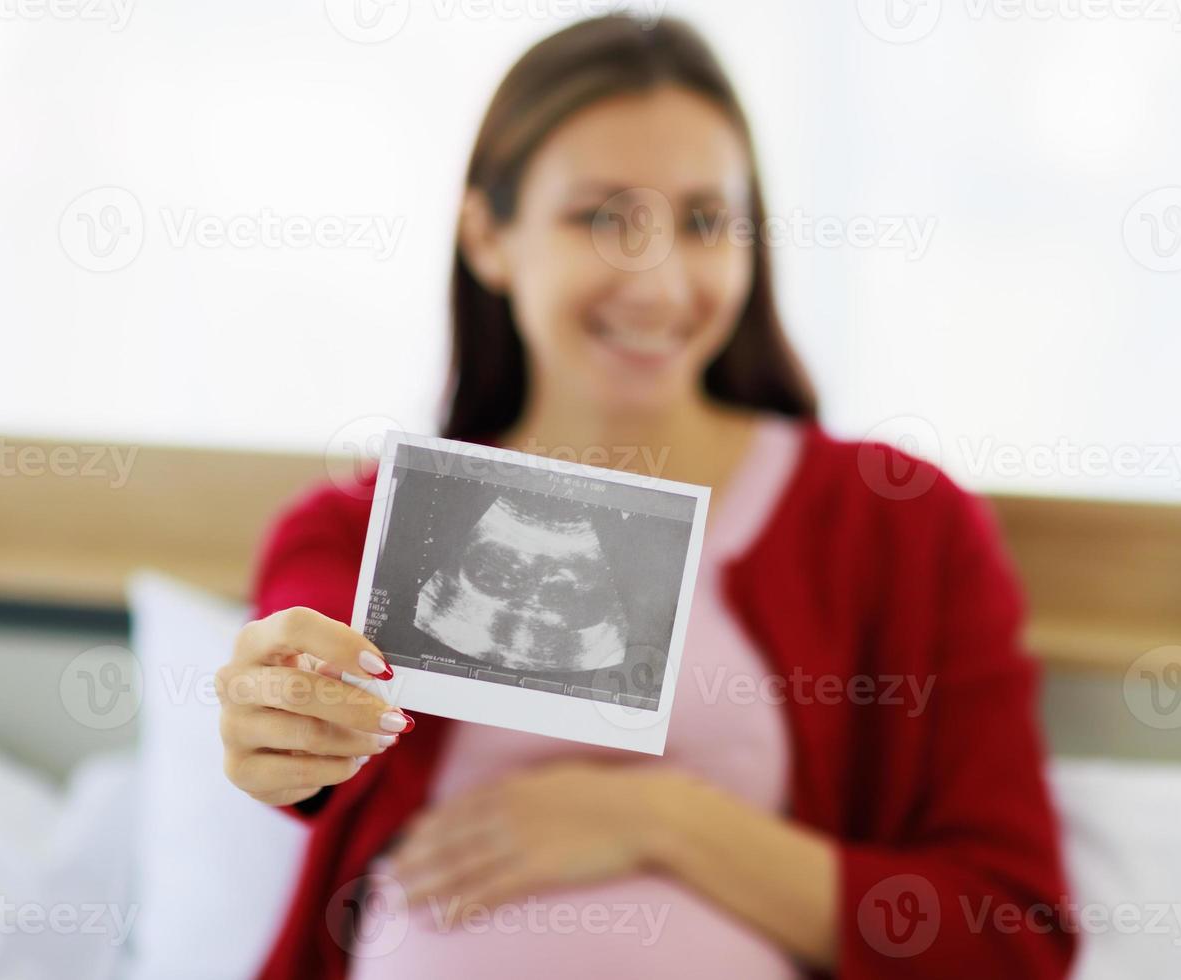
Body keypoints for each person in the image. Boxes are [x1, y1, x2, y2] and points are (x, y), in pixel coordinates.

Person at [215, 14, 1075, 979]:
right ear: (488, 237)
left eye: (706, 221)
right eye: (599, 217)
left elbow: (1011, 937)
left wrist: (656, 819)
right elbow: (307, 682)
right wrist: (286, 720)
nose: (658, 282)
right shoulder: (355, 530)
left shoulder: (900, 524)